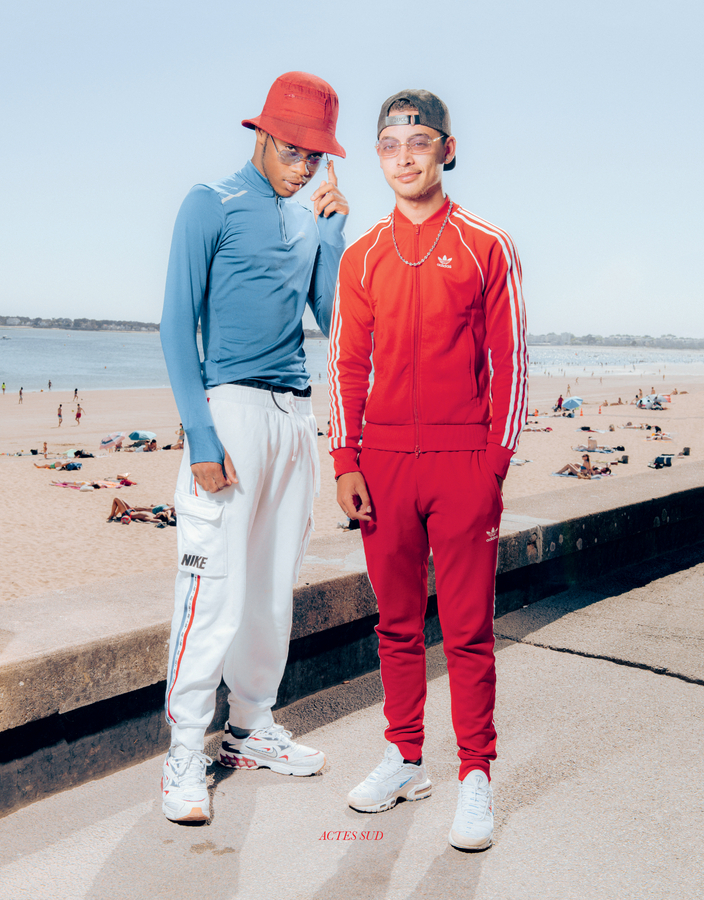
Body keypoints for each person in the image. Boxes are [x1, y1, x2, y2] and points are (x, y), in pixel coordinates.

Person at [328, 89, 526, 851]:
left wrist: (494, 462)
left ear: (446, 149)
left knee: (470, 630)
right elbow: (346, 364)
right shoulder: (362, 254)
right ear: (378, 157)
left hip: (462, 462)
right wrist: (346, 458)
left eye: (417, 142)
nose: (403, 156)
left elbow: (508, 359)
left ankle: (475, 774)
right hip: (381, 465)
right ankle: (405, 757)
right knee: (397, 624)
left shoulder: (487, 244)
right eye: (388, 145)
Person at [159, 71, 349, 824]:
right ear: (264, 134)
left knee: (271, 588)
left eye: (316, 155)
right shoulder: (210, 202)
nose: (304, 165)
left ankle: (250, 728)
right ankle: (183, 750)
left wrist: (333, 239)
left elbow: (333, 320)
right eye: (294, 148)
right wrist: (200, 435)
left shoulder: (308, 221)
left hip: (293, 417)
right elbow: (177, 324)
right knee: (213, 590)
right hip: (229, 411)